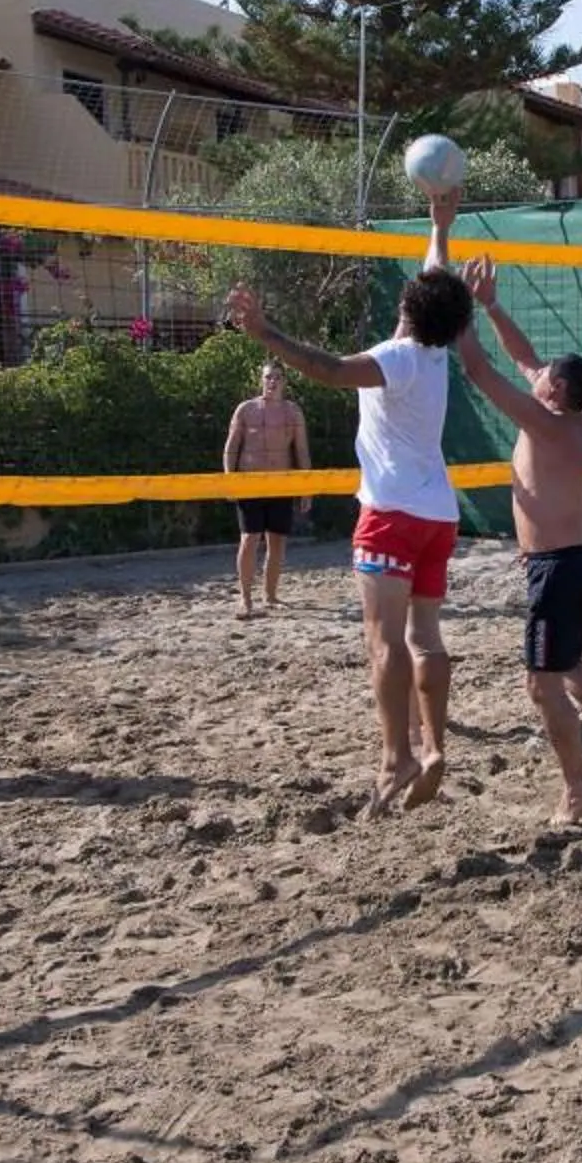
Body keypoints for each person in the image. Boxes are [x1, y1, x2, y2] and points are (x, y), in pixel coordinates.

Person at [226, 186, 471, 817]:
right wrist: (441, 228)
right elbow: (436, 281)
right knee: (424, 636)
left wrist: (263, 331)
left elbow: (331, 370)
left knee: (383, 642)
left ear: (408, 309)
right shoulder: (435, 353)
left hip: (389, 516)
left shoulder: (397, 358)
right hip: (438, 516)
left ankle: (396, 760)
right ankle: (433, 745)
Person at [457, 258, 582, 821]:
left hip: (559, 568)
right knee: (569, 660)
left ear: (554, 389)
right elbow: (521, 356)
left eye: (543, 373)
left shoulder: (544, 422)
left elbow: (479, 370)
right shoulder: (569, 419)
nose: (534, 370)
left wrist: (457, 311)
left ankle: (578, 786)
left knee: (541, 683)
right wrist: (490, 305)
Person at [223, 360, 313, 619]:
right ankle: (245, 599)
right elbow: (231, 448)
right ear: (261, 380)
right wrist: (229, 480)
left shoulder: (293, 412)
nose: (272, 382)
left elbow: (302, 452)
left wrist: (307, 488)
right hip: (250, 483)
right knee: (249, 539)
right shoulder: (246, 409)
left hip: (281, 484)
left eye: (277, 377)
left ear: (285, 381)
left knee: (277, 542)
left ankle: (271, 596)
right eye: (268, 377)